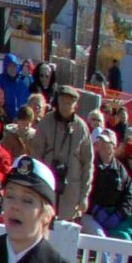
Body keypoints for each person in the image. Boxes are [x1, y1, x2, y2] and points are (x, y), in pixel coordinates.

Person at [31, 85, 93, 222]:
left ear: (75, 105)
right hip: (47, 185)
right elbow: (36, 155)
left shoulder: (81, 128)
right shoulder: (46, 122)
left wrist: (84, 196)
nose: (65, 105)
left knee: (64, 232)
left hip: (71, 191)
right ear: (57, 101)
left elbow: (88, 163)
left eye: (69, 102)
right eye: (63, 101)